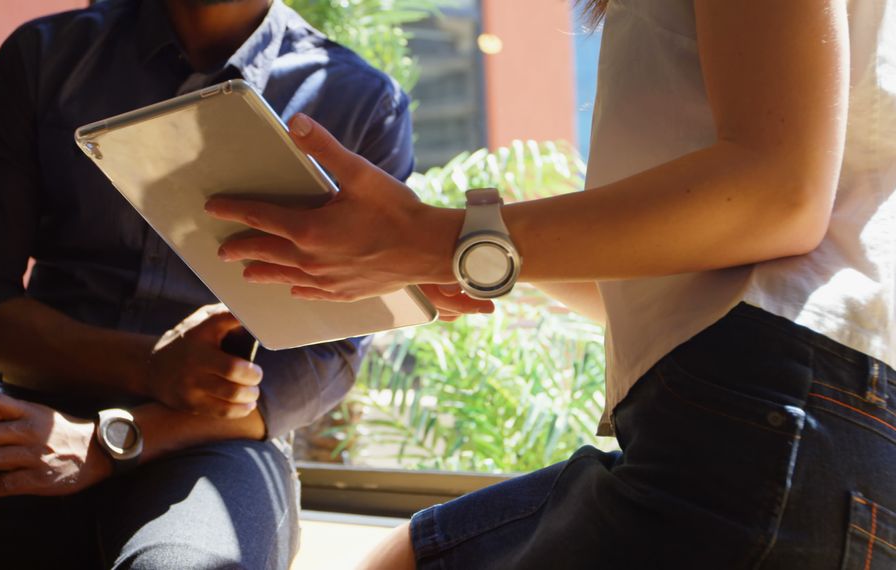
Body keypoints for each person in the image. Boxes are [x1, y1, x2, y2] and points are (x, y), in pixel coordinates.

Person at [205, 0, 896, 567]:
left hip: (768, 417)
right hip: (798, 422)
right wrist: (456, 260)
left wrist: (436, 238)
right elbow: (681, 279)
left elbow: (777, 194)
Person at [0, 0, 433, 568]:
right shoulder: (47, 57)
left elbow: (327, 355)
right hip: (34, 423)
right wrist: (148, 366)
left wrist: (111, 442)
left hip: (219, 440)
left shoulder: (361, 101)